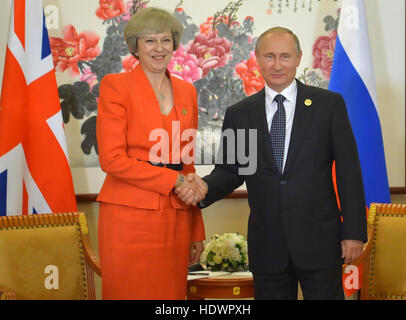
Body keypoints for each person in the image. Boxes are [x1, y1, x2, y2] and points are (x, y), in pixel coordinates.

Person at [176, 27, 367, 300]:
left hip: (321, 242)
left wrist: (353, 233)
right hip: (268, 246)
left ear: (299, 58)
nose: (277, 65)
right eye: (269, 56)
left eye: (285, 56)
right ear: (257, 58)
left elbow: (349, 173)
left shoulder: (329, 105)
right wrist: (203, 187)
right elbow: (231, 171)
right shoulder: (240, 113)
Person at [96, 7, 206, 300]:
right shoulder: (115, 87)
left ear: (174, 44)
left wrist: (196, 228)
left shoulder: (187, 92)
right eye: (149, 41)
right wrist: (174, 182)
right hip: (128, 217)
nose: (159, 48)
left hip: (177, 217)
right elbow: (112, 159)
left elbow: (187, 164)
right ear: (135, 46)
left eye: (166, 40)